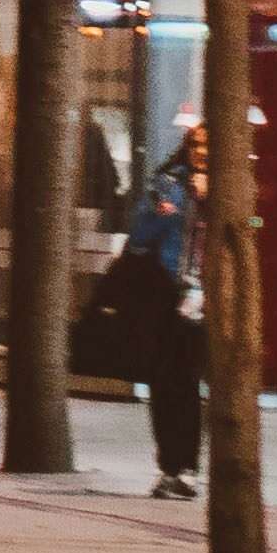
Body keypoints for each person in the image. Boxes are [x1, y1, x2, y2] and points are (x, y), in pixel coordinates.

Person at [120, 118, 209, 496]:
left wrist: (210, 199)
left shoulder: (230, 186)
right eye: (197, 144)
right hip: (163, 293)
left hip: (203, 297)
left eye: (209, 145)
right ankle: (169, 466)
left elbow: (250, 226)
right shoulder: (168, 182)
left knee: (187, 382)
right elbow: (139, 237)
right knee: (162, 381)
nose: (202, 152)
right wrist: (161, 211)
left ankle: (188, 467)